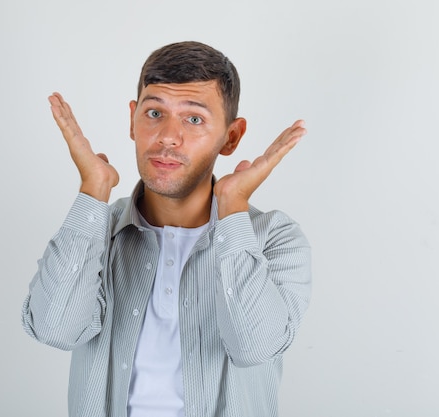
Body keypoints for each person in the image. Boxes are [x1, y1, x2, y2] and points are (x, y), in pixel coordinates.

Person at [22, 41, 312, 417]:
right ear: (132, 120)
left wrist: (233, 206)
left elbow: (255, 348)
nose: (167, 136)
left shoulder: (275, 238)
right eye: (155, 112)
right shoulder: (97, 228)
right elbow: (54, 330)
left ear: (231, 137)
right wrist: (93, 189)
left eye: (194, 119)